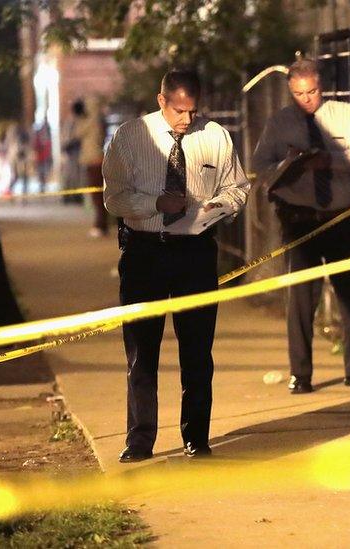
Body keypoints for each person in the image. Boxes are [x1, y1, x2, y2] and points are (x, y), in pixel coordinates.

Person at [103, 69, 251, 462]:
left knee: (198, 349)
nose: (186, 119)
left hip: (195, 253)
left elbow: (238, 186)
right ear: (161, 101)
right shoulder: (131, 137)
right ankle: (139, 439)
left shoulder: (215, 136)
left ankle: (196, 436)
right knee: (141, 350)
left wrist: (220, 207)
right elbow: (114, 198)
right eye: (178, 110)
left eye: (192, 111)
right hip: (144, 251)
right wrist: (155, 204)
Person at [254, 58, 350, 394]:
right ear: (290, 91)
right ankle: (300, 373)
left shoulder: (344, 114)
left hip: (344, 216)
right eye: (299, 93)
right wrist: (288, 166)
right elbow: (260, 165)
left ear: (321, 87)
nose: (306, 99)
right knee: (301, 300)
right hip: (301, 220)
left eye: (312, 91)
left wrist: (330, 159)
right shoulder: (280, 123)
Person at [75, 97, 109, 237]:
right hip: (94, 159)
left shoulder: (92, 121)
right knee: (97, 194)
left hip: (94, 160)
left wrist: (84, 115)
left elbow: (78, 132)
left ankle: (100, 225)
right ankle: (101, 224)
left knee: (97, 195)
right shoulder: (97, 121)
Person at [61, 99, 85, 204]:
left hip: (76, 151)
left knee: (73, 175)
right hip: (72, 151)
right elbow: (70, 137)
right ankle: (71, 196)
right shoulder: (74, 122)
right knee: (72, 175)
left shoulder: (74, 121)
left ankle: (73, 196)